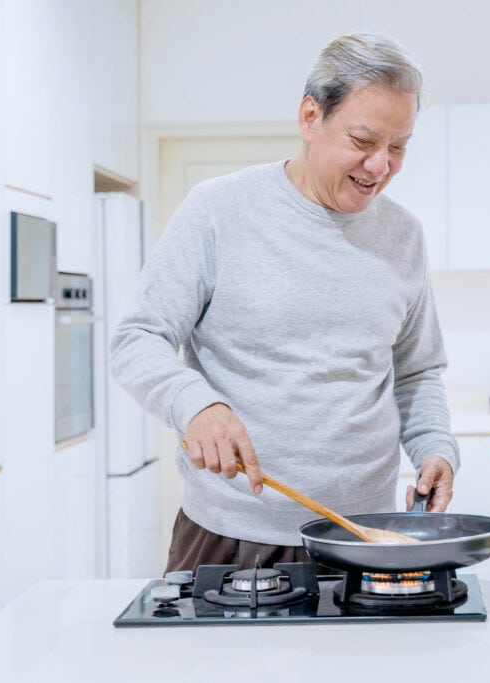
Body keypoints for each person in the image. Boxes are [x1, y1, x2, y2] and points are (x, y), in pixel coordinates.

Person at [111, 33, 459, 572]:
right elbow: (137, 340)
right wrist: (197, 404)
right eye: (363, 140)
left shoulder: (403, 236)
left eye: (398, 146)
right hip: (231, 533)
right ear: (310, 116)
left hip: (363, 533)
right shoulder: (217, 211)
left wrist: (435, 447)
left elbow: (417, 372)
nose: (380, 166)